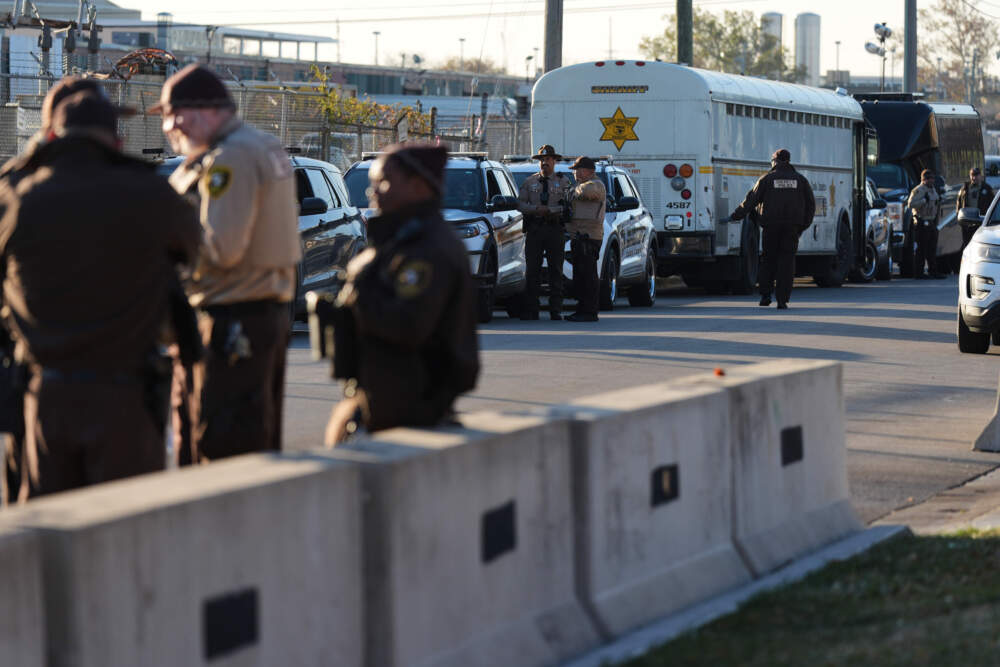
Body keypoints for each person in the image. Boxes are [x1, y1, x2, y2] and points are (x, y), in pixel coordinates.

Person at [0, 90, 201, 499]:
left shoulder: (17, 197)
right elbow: (197, 251)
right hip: (126, 395)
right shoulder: (149, 194)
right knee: (125, 525)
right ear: (116, 141)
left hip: (46, 395)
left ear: (51, 137)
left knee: (49, 524)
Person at [153, 64, 301, 464]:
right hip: (254, 316)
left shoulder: (230, 157)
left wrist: (163, 253)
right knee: (245, 442)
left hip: (230, 320)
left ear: (208, 111)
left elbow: (221, 249)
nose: (169, 126)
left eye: (175, 114)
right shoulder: (258, 145)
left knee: (219, 450)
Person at [324, 143, 479, 445]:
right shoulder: (399, 241)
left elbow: (407, 324)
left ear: (418, 186)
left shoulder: (427, 248)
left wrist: (358, 292)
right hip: (382, 399)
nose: (372, 192)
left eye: (383, 182)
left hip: (411, 408)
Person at [729, 148, 815, 310]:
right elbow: (811, 205)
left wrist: (735, 216)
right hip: (792, 227)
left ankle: (765, 296)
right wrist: (802, 226)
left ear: (775, 161)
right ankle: (782, 300)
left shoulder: (766, 179)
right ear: (788, 161)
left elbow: (751, 200)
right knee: (787, 263)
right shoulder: (800, 180)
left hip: (770, 227)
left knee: (768, 261)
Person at [517, 145, 572, 320]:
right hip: (535, 229)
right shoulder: (529, 182)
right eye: (542, 160)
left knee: (556, 269)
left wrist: (551, 210)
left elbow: (568, 206)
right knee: (532, 270)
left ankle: (556, 309)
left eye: (548, 159)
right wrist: (535, 209)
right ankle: (531, 309)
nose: (544, 163)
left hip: (555, 229)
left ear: (554, 161)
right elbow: (520, 204)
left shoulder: (564, 182)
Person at [565, 156, 606, 322]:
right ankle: (582, 310)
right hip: (578, 236)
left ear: (589, 171)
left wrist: (572, 190)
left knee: (588, 276)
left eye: (578, 170)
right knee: (580, 276)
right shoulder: (578, 186)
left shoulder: (596, 184)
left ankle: (589, 312)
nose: (575, 173)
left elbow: (587, 192)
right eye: (575, 170)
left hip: (589, 237)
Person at [907, 169, 943, 279]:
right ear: (923, 179)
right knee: (921, 249)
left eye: (932, 178)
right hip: (921, 222)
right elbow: (910, 204)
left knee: (932, 249)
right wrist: (923, 201)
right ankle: (919, 272)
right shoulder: (918, 190)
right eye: (928, 178)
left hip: (931, 222)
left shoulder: (933, 189)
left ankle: (933, 271)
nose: (931, 180)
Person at [957, 166, 994, 250]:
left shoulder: (987, 188)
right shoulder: (964, 189)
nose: (974, 177)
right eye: (972, 175)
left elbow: (992, 205)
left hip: (981, 223)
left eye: (976, 175)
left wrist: (989, 221)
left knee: (980, 247)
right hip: (967, 223)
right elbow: (959, 204)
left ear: (980, 176)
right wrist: (960, 218)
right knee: (967, 247)